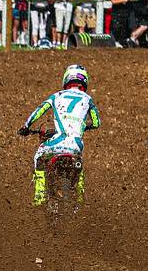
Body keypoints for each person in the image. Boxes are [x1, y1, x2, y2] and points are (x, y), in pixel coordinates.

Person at [19, 64, 100, 207]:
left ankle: (39, 197)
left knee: (38, 156)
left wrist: (26, 126)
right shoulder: (88, 99)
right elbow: (96, 123)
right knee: (79, 166)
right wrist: (82, 125)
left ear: (66, 79)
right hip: (76, 145)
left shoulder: (57, 96)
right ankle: (80, 198)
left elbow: (39, 111)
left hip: (57, 143)